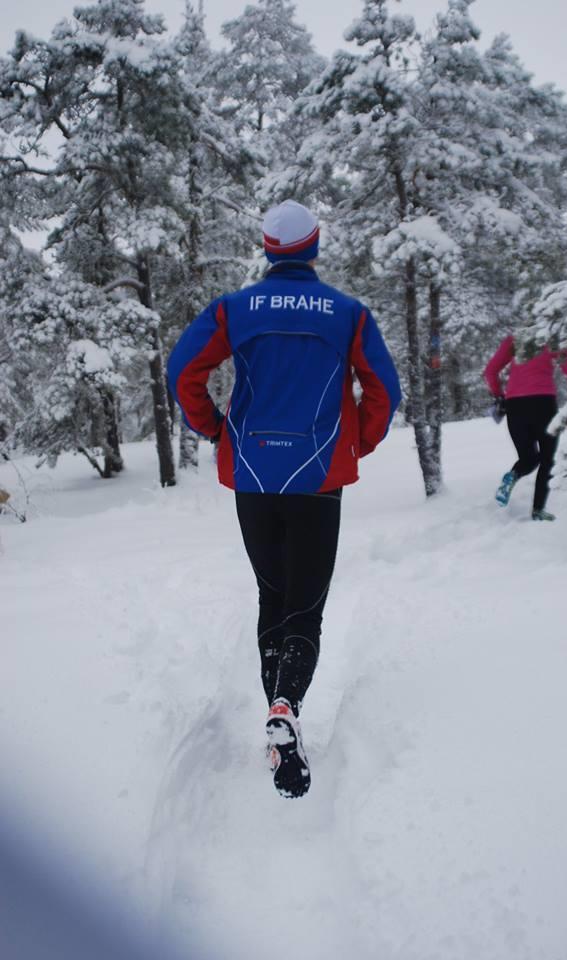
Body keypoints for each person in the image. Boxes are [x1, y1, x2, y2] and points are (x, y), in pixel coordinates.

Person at [167, 200, 401, 798]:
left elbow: (182, 372)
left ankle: (279, 708)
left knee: (273, 595)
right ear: (314, 246)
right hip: (318, 474)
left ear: (269, 248)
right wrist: (359, 443)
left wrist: (215, 428)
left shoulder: (234, 309)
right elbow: (384, 388)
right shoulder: (347, 313)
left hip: (252, 473)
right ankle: (285, 706)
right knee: (306, 605)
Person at [484, 334, 567, 520]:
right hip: (543, 404)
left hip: (515, 406)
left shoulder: (514, 340)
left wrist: (499, 396)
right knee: (547, 459)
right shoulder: (553, 339)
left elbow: (490, 371)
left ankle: (512, 476)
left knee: (528, 458)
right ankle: (538, 510)